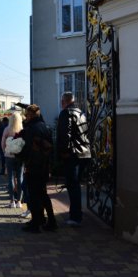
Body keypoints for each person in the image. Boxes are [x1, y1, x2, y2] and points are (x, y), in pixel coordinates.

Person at [19, 104, 57, 233]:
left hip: (34, 165)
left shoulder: (31, 129)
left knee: (34, 195)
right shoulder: (46, 127)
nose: (25, 117)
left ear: (30, 115)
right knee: (43, 194)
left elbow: (29, 149)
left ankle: (36, 224)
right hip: (45, 166)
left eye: (26, 115)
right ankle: (50, 221)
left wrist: (19, 155)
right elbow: (51, 148)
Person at [57, 91, 91, 227]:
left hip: (73, 155)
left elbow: (65, 134)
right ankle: (76, 214)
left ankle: (75, 216)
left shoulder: (66, 113)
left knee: (73, 186)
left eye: (62, 101)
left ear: (64, 101)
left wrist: (64, 152)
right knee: (75, 185)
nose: (61, 103)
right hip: (84, 153)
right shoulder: (81, 113)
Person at [1, 112, 23, 208]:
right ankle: (19, 201)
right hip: (19, 156)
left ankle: (11, 201)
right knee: (20, 177)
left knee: (10, 177)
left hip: (9, 156)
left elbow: (3, 143)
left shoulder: (7, 129)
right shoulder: (22, 130)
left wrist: (4, 152)